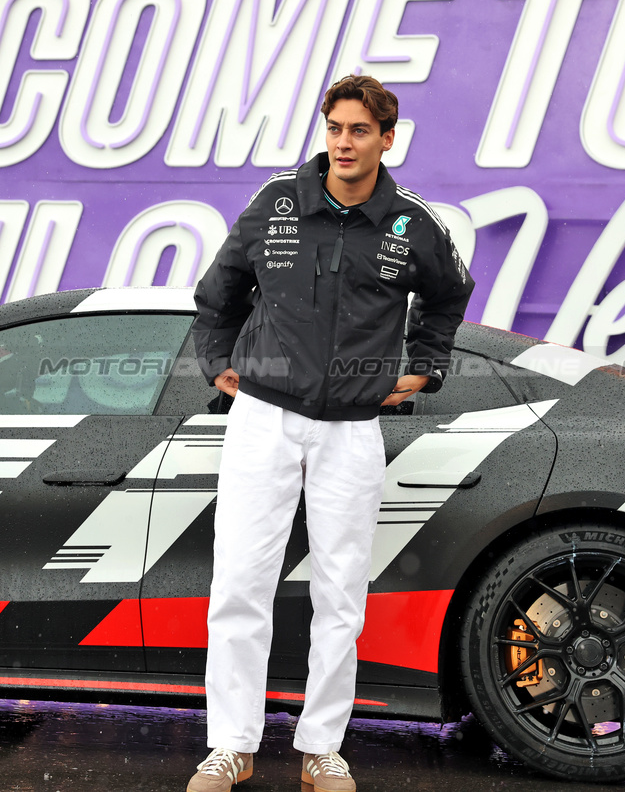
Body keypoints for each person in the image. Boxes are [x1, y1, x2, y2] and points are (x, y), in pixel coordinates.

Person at [187, 75, 474, 792]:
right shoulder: (277, 201)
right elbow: (217, 295)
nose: (344, 143)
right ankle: (231, 746)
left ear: (387, 139)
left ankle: (321, 749)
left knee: (341, 594)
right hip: (263, 418)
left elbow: (448, 294)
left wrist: (426, 367)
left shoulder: (411, 222)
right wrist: (217, 364)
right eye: (335, 128)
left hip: (352, 427)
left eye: (359, 131)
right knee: (240, 585)